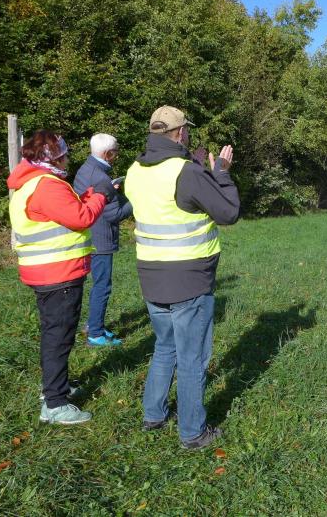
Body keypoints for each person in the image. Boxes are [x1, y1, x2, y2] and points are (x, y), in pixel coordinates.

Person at [124, 105, 240, 449]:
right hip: (189, 278)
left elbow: (170, 202)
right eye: (185, 129)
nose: (187, 133)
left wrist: (198, 169)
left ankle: (154, 414)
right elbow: (228, 212)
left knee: (164, 347)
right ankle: (192, 432)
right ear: (179, 133)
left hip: (151, 274)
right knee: (192, 358)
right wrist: (220, 173)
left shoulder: (135, 170)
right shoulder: (186, 172)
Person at [8, 130, 115, 424]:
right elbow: (81, 217)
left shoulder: (33, 182)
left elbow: (69, 210)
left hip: (47, 271)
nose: (67, 159)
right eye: (63, 154)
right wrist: (101, 195)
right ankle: (55, 403)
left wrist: (88, 196)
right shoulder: (47, 185)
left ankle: (56, 387)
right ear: (53, 158)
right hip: (58, 272)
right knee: (59, 336)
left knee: (54, 333)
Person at [74, 133, 133, 347]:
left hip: (89, 235)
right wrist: (135, 201)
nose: (117, 156)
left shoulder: (86, 168)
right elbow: (113, 214)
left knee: (97, 283)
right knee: (102, 286)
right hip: (100, 239)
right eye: (115, 152)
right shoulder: (101, 177)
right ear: (108, 154)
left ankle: (93, 324)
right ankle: (96, 334)